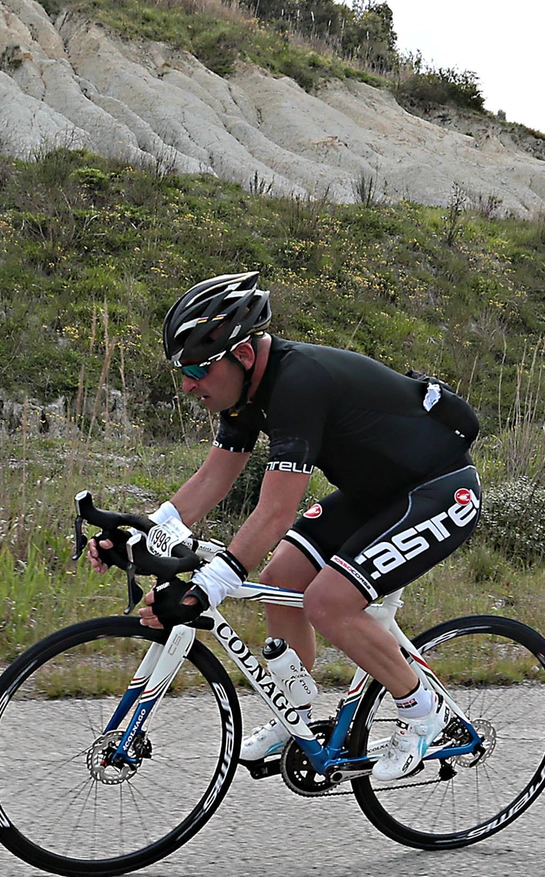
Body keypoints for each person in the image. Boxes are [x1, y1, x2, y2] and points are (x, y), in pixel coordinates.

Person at [89, 271, 482, 780]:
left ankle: (421, 712)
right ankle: (293, 711)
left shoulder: (299, 385)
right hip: (377, 495)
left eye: (196, 369)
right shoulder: (243, 396)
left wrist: (209, 586)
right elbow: (213, 479)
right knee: (280, 581)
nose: (187, 384)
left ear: (244, 355)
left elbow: (275, 512)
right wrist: (145, 532)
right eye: (181, 370)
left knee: (328, 602)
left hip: (440, 492)